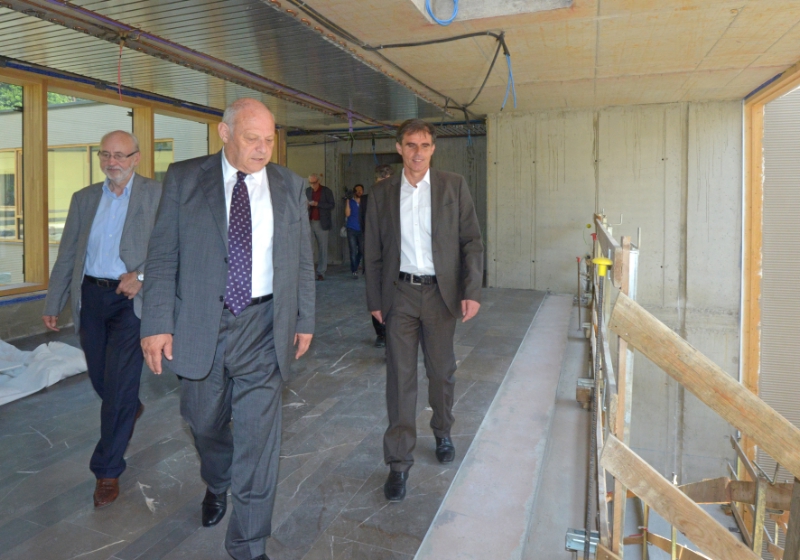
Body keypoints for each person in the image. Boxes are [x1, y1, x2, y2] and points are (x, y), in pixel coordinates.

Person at [140, 98, 314, 560]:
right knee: (203, 422)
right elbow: (162, 255)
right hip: (200, 324)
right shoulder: (184, 179)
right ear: (224, 133)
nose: (262, 149)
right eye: (252, 138)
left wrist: (305, 319)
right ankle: (217, 479)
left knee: (259, 441)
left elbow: (301, 258)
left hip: (264, 324)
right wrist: (156, 323)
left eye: (269, 139)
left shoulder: (289, 185)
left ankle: (248, 545)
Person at [364, 119, 483, 502]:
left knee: (441, 372)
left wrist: (471, 290)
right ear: (399, 148)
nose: (418, 153)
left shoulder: (453, 185)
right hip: (399, 294)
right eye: (411, 145)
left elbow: (471, 241)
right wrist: (375, 301)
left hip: (440, 295)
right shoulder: (381, 194)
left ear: (433, 148)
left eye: (425, 145)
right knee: (399, 379)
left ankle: (442, 430)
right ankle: (399, 462)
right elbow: (372, 251)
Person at [42, 130, 162, 508]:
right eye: (105, 155)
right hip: (91, 298)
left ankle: (107, 470)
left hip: (131, 301)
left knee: (119, 385)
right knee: (102, 379)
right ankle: (128, 406)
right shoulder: (84, 198)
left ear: (136, 158)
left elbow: (171, 249)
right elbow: (68, 254)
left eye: (120, 155)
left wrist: (140, 276)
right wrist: (54, 301)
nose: (112, 162)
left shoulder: (157, 195)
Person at [362, 165, 393, 347]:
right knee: (376, 293)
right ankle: (380, 332)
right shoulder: (368, 199)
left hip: (393, 254)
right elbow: (364, 225)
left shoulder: (400, 197)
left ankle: (392, 333)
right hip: (374, 252)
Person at [306, 172, 334, 280]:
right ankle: (310, 273)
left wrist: (318, 204)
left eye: (314, 182)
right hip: (309, 222)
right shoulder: (307, 191)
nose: (312, 185)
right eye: (310, 183)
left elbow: (332, 205)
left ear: (319, 181)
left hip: (322, 222)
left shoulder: (326, 191)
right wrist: (307, 205)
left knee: (323, 249)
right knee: (309, 249)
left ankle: (321, 272)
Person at [345, 184, 364, 279]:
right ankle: (354, 270)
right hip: (351, 229)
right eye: (357, 190)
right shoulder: (351, 201)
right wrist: (347, 200)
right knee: (353, 251)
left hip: (362, 229)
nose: (359, 191)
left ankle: (356, 264)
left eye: (361, 190)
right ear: (354, 191)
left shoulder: (365, 202)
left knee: (362, 250)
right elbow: (347, 214)